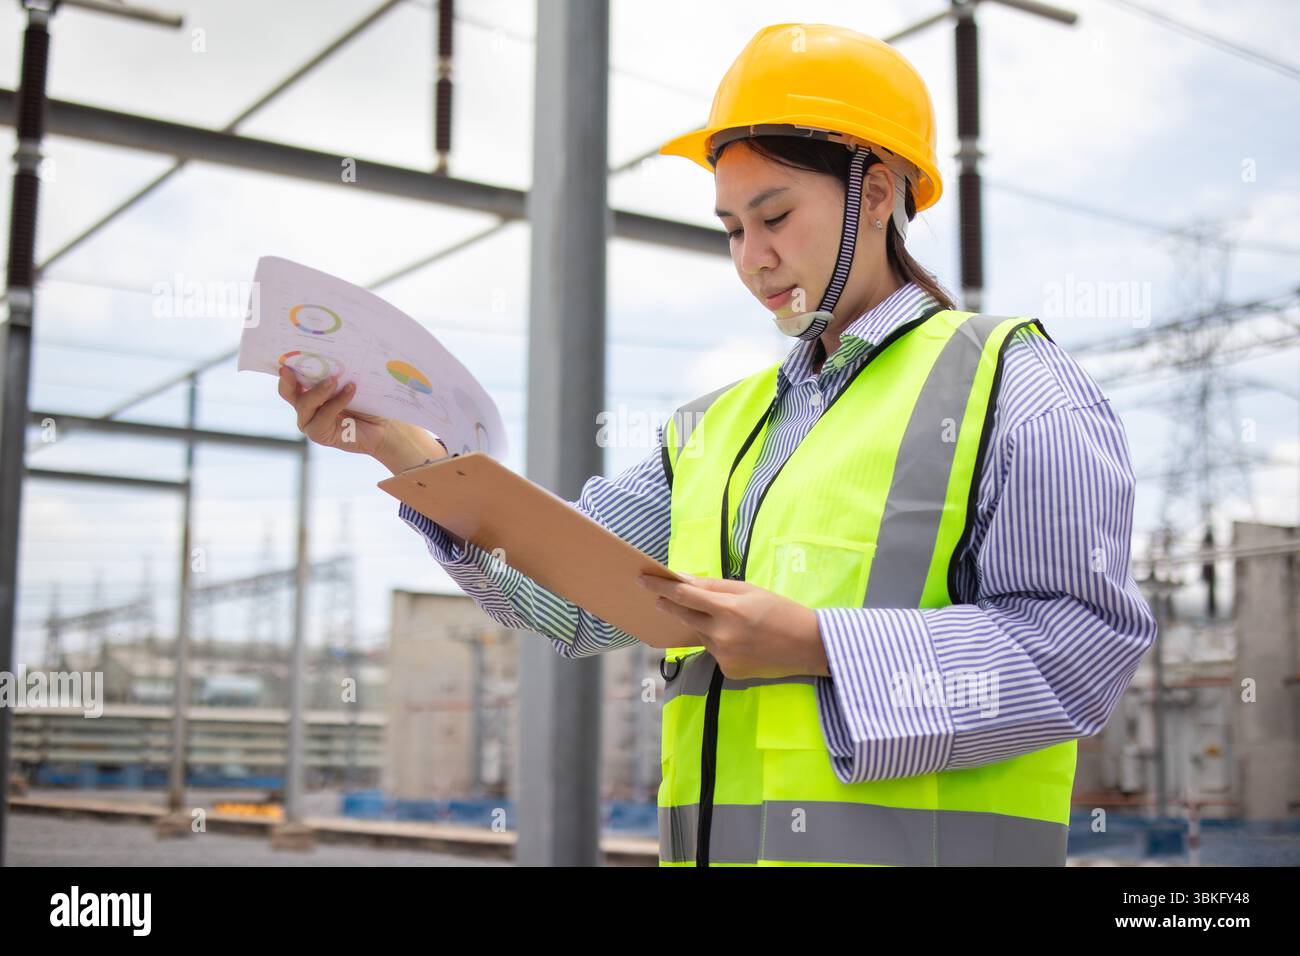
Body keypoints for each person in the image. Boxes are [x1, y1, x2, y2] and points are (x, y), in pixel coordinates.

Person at [277, 22, 1157, 867]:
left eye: (774, 216)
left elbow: (1078, 651)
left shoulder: (1013, 383)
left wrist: (821, 646)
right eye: (733, 229)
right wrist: (404, 449)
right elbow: (566, 603)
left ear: (878, 193)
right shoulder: (713, 430)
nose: (752, 259)